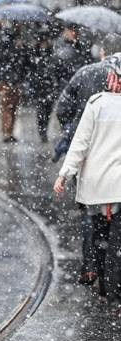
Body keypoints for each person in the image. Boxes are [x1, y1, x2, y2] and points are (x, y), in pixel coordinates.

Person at [53, 66, 121, 313]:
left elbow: (79, 144)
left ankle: (104, 286)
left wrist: (64, 173)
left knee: (100, 239)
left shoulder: (96, 104)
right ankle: (116, 293)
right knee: (117, 242)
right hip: (118, 187)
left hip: (97, 187)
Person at [0, 20, 32, 142]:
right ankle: (7, 133)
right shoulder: (10, 42)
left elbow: (25, 62)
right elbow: (1, 59)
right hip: (9, 80)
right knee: (8, 107)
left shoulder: (9, 41)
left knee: (11, 107)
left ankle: (8, 132)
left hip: (10, 79)